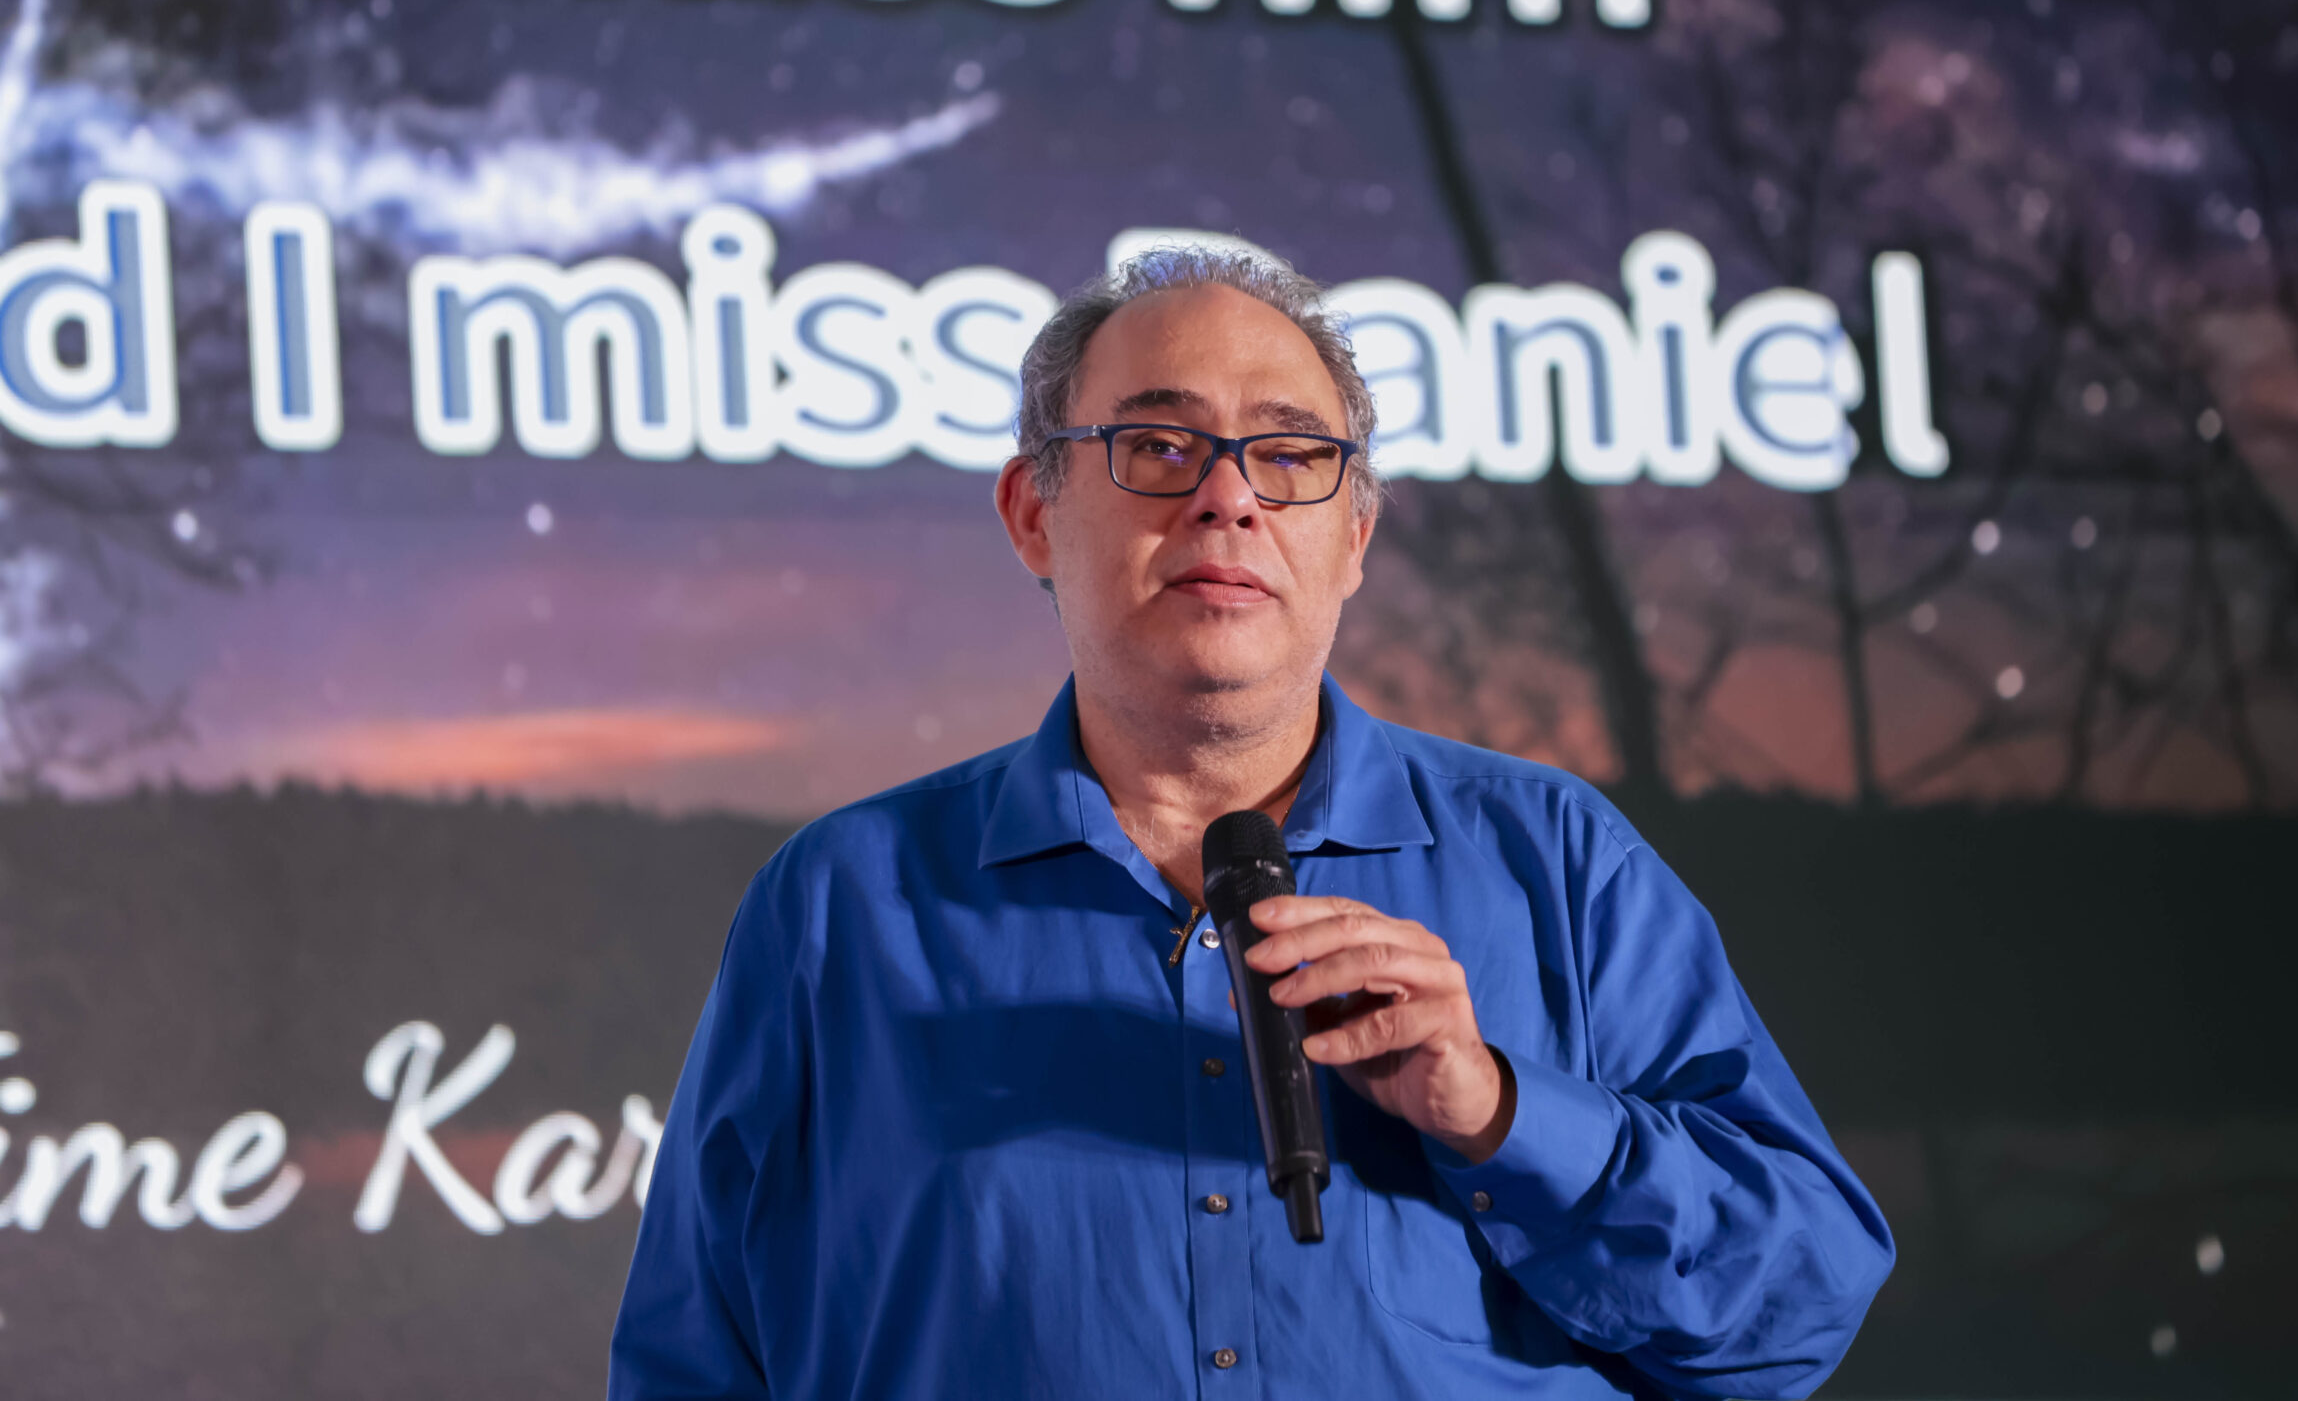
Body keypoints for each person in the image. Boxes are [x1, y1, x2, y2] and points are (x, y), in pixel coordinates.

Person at [609, 243, 1893, 1399]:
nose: (1228, 500)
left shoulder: (1557, 863)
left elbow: (1794, 1316)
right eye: (1159, 447)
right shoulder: (841, 905)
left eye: (1288, 457)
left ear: (1354, 537)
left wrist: (1500, 1113)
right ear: (1033, 515)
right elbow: (692, 1360)